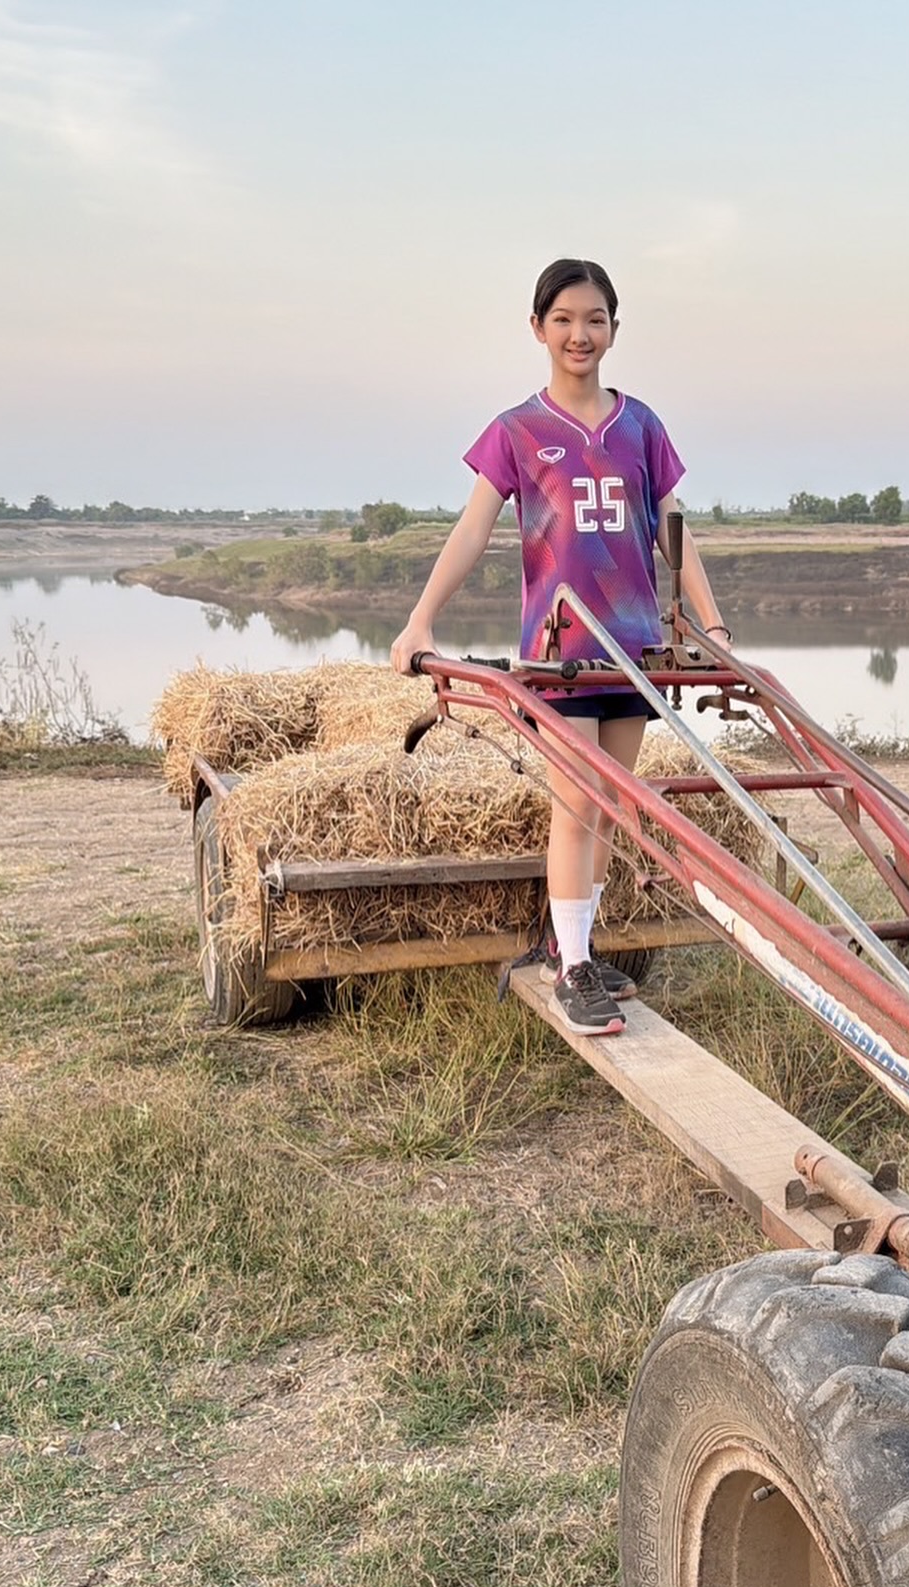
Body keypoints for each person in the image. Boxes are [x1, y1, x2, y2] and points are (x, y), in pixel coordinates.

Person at [391, 258, 730, 1037]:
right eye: (566, 319)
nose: (581, 334)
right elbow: (473, 529)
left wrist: (711, 626)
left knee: (609, 804)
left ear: (615, 328)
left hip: (635, 648)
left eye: (596, 320)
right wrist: (420, 621)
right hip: (559, 650)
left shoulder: (641, 425)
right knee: (576, 803)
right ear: (538, 327)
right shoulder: (518, 430)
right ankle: (574, 966)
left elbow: (676, 534)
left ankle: (569, 943)